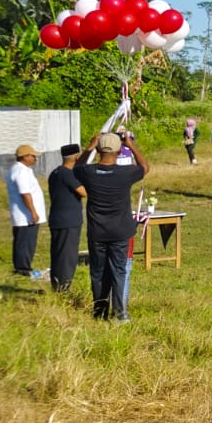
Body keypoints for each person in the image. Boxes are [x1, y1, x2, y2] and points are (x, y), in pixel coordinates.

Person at [76, 133, 148, 322]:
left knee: (98, 273)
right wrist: (131, 145)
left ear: (99, 150)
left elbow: (76, 166)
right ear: (118, 151)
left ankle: (99, 312)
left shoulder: (88, 172)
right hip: (120, 231)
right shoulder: (125, 173)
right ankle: (120, 313)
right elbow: (145, 167)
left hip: (97, 232)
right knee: (119, 271)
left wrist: (90, 146)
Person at [46, 143, 86, 293]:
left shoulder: (55, 173)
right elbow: (84, 192)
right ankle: (63, 287)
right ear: (76, 156)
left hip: (57, 218)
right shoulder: (68, 174)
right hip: (68, 220)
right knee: (67, 255)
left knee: (58, 253)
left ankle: (57, 284)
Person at [5, 143, 45, 276]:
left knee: (25, 241)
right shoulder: (20, 171)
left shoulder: (23, 169)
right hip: (25, 214)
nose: (35, 158)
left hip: (25, 213)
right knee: (25, 242)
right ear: (25, 156)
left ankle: (22, 266)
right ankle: (23, 268)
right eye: (33, 156)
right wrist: (33, 211)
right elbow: (25, 193)